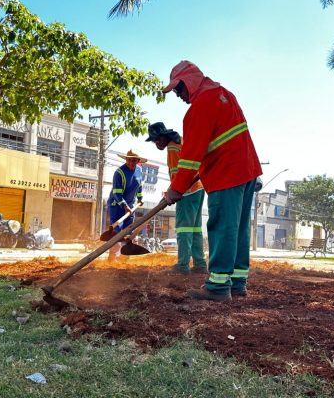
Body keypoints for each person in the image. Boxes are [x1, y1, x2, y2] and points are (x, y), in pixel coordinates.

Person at [162, 61, 262, 302]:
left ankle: (218, 286)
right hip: (247, 172)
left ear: (190, 82)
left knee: (222, 227)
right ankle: (237, 283)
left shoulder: (199, 108)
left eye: (178, 89)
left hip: (226, 174)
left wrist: (175, 189)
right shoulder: (225, 95)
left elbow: (190, 159)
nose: (178, 95)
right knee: (237, 229)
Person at [146, 122, 208, 275]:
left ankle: (182, 265)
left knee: (184, 228)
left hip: (187, 190)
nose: (156, 144)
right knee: (195, 229)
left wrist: (172, 192)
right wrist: (169, 192)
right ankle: (200, 264)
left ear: (163, 136)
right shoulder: (180, 141)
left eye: (156, 140)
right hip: (198, 188)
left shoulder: (173, 147)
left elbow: (177, 174)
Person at [107, 150, 145, 262]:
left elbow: (139, 186)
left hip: (130, 206)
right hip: (117, 206)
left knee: (129, 232)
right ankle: (112, 259)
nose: (131, 163)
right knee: (117, 233)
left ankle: (125, 259)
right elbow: (117, 193)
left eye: (134, 160)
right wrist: (124, 206)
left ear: (138, 161)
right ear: (126, 160)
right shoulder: (119, 173)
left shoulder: (139, 170)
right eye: (129, 160)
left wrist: (139, 198)